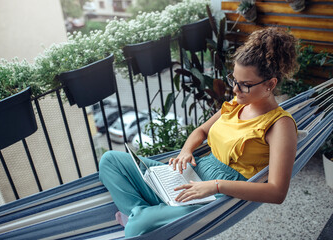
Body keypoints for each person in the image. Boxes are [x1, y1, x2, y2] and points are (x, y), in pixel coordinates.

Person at [99, 27, 298, 237]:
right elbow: (202, 131)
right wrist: (186, 151)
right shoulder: (236, 104)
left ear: (270, 84)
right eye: (234, 81)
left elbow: (277, 192)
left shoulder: (280, 125)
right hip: (191, 173)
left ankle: (140, 216)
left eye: (245, 85)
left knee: (138, 229)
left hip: (216, 196)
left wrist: (216, 186)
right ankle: (141, 213)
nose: (235, 90)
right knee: (111, 161)